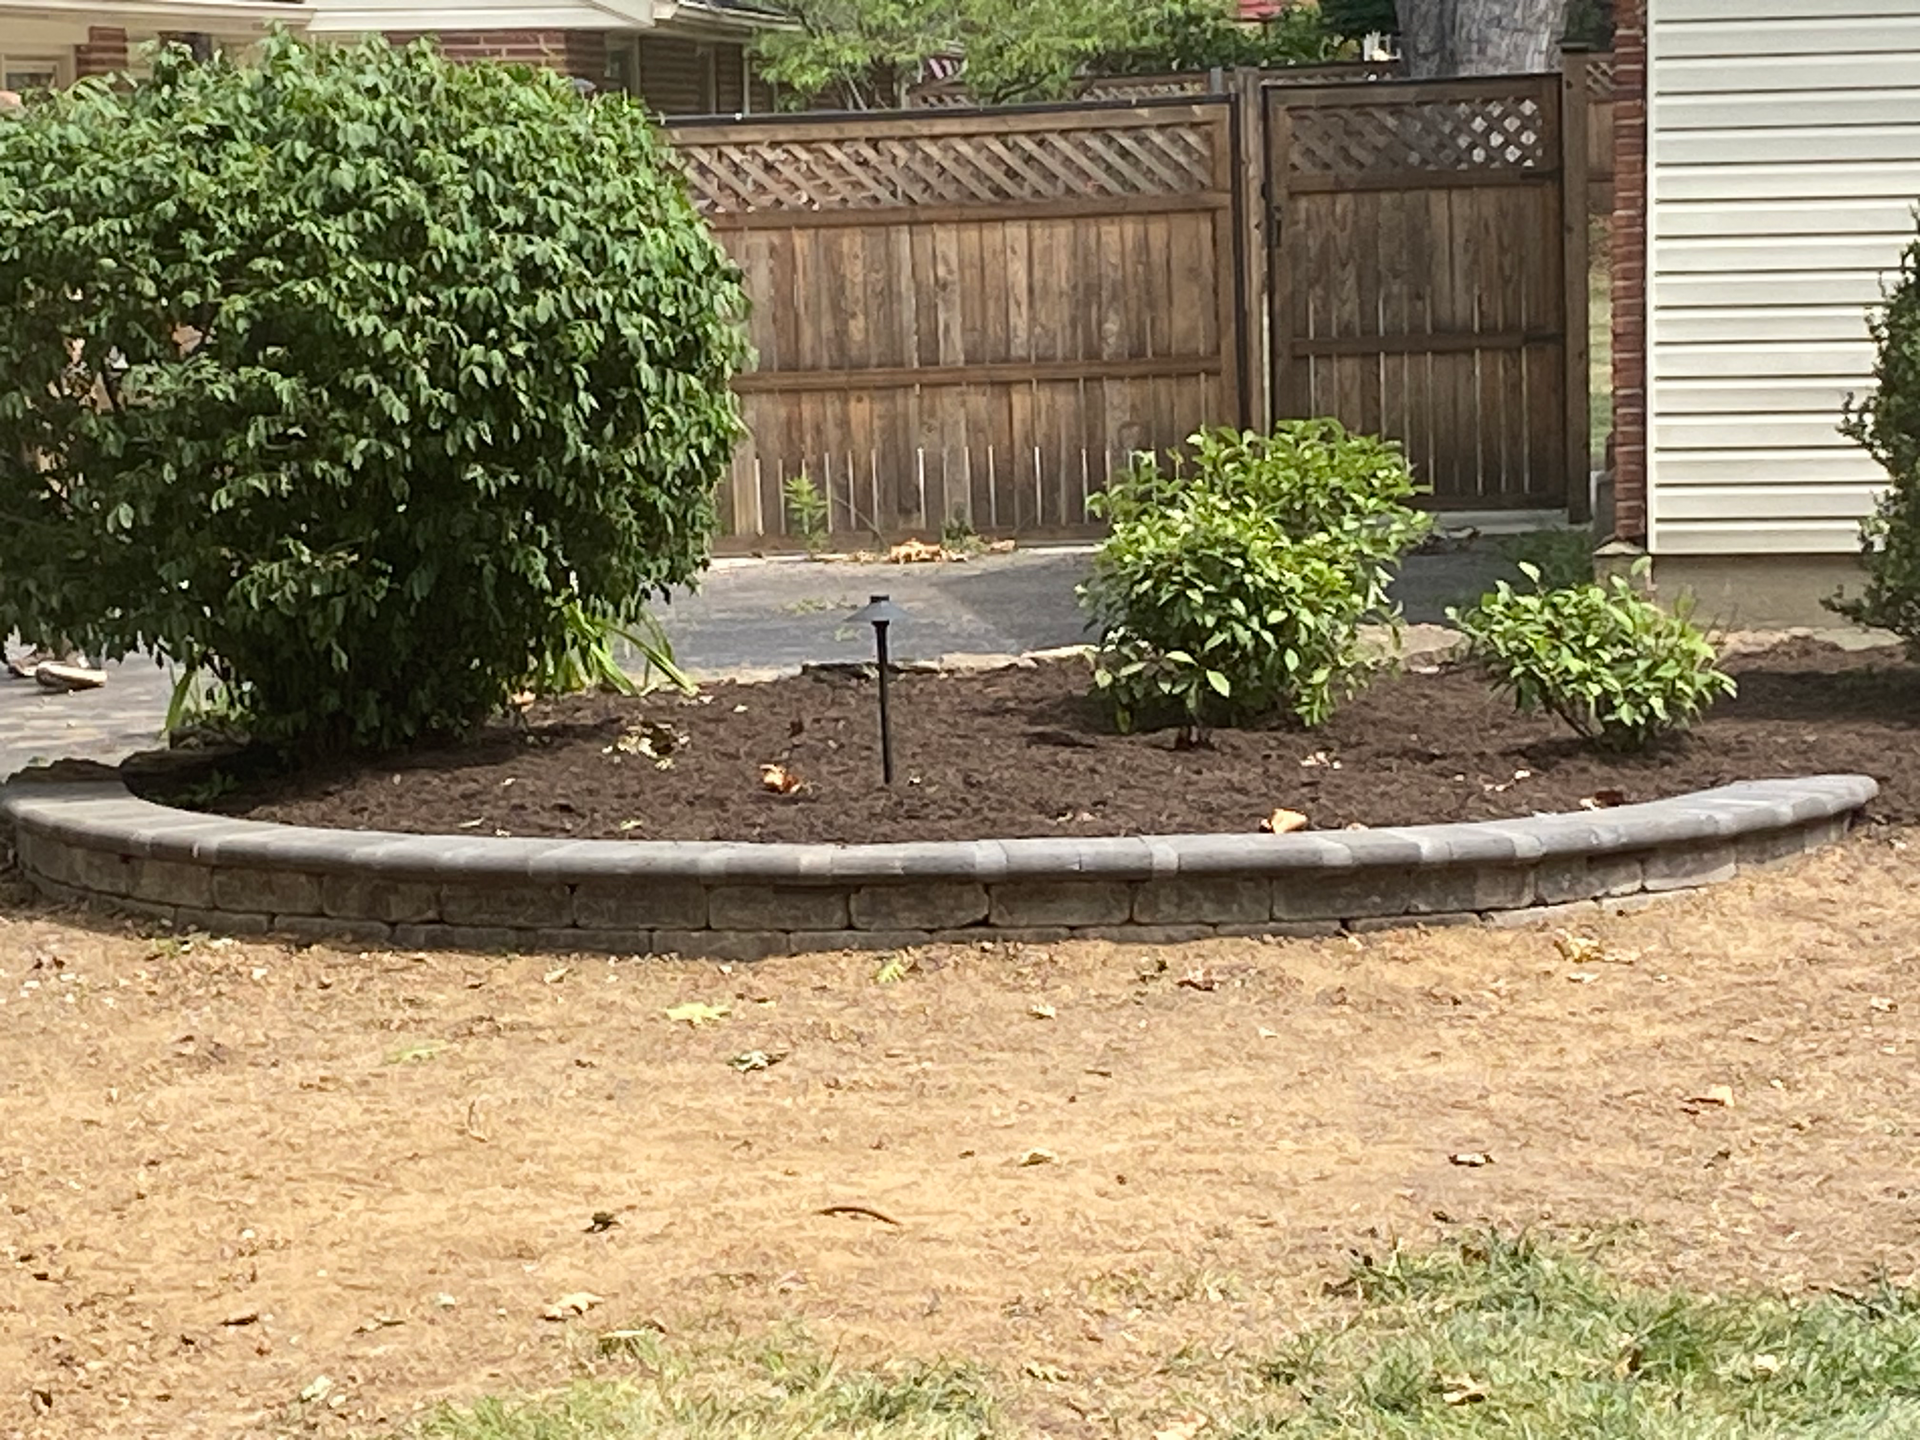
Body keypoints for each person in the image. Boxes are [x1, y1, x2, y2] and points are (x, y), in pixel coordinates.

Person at [0, 88, 107, 693]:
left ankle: (77, 647)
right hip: (22, 385)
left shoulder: (40, 217)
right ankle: (45, 636)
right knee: (23, 504)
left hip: (43, 390)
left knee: (54, 501)